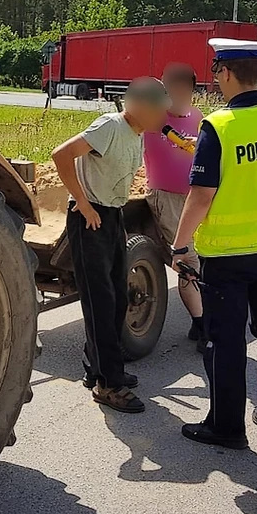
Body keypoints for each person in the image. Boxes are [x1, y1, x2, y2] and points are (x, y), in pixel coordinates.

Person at [170, 38, 257, 449]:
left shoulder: (219, 127)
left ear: (225, 73)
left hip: (227, 254)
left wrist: (179, 245)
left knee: (225, 341)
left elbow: (201, 196)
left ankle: (227, 427)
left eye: (215, 70)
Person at [52, 77, 169, 414]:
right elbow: (61, 155)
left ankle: (100, 367)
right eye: (160, 109)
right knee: (100, 302)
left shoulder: (138, 134)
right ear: (141, 107)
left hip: (113, 216)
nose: (164, 116)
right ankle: (109, 386)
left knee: (117, 296)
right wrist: (83, 203)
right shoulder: (110, 127)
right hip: (90, 219)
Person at [144, 63, 206, 351]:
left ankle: (203, 314)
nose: (178, 97)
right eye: (172, 91)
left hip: (195, 196)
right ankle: (202, 324)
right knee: (187, 260)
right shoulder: (154, 119)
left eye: (184, 90)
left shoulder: (198, 117)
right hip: (165, 197)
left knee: (202, 255)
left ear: (192, 91)